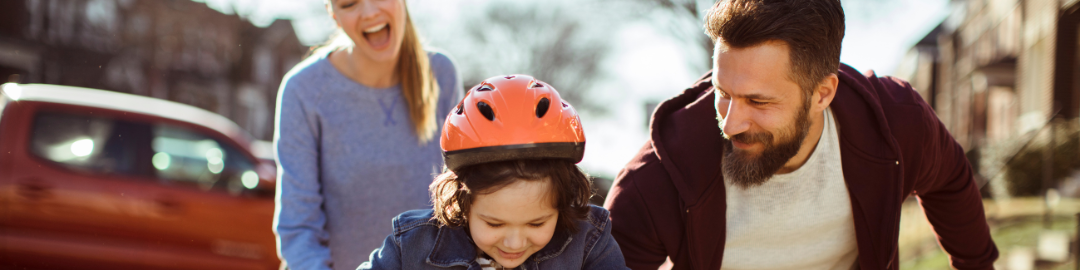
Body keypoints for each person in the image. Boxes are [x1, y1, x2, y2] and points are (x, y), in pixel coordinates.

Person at [603, 0, 999, 269]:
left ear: (822, 93)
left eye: (758, 102)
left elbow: (949, 180)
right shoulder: (653, 181)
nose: (731, 122)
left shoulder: (896, 125)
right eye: (723, 94)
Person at [358, 75, 629, 270]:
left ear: (562, 201)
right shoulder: (411, 246)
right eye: (494, 224)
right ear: (461, 202)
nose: (513, 243)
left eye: (536, 224)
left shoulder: (589, 244)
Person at [272, 0, 463, 269]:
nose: (370, 12)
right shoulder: (303, 90)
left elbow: (458, 200)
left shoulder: (442, 74)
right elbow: (298, 228)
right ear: (334, 16)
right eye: (349, 3)